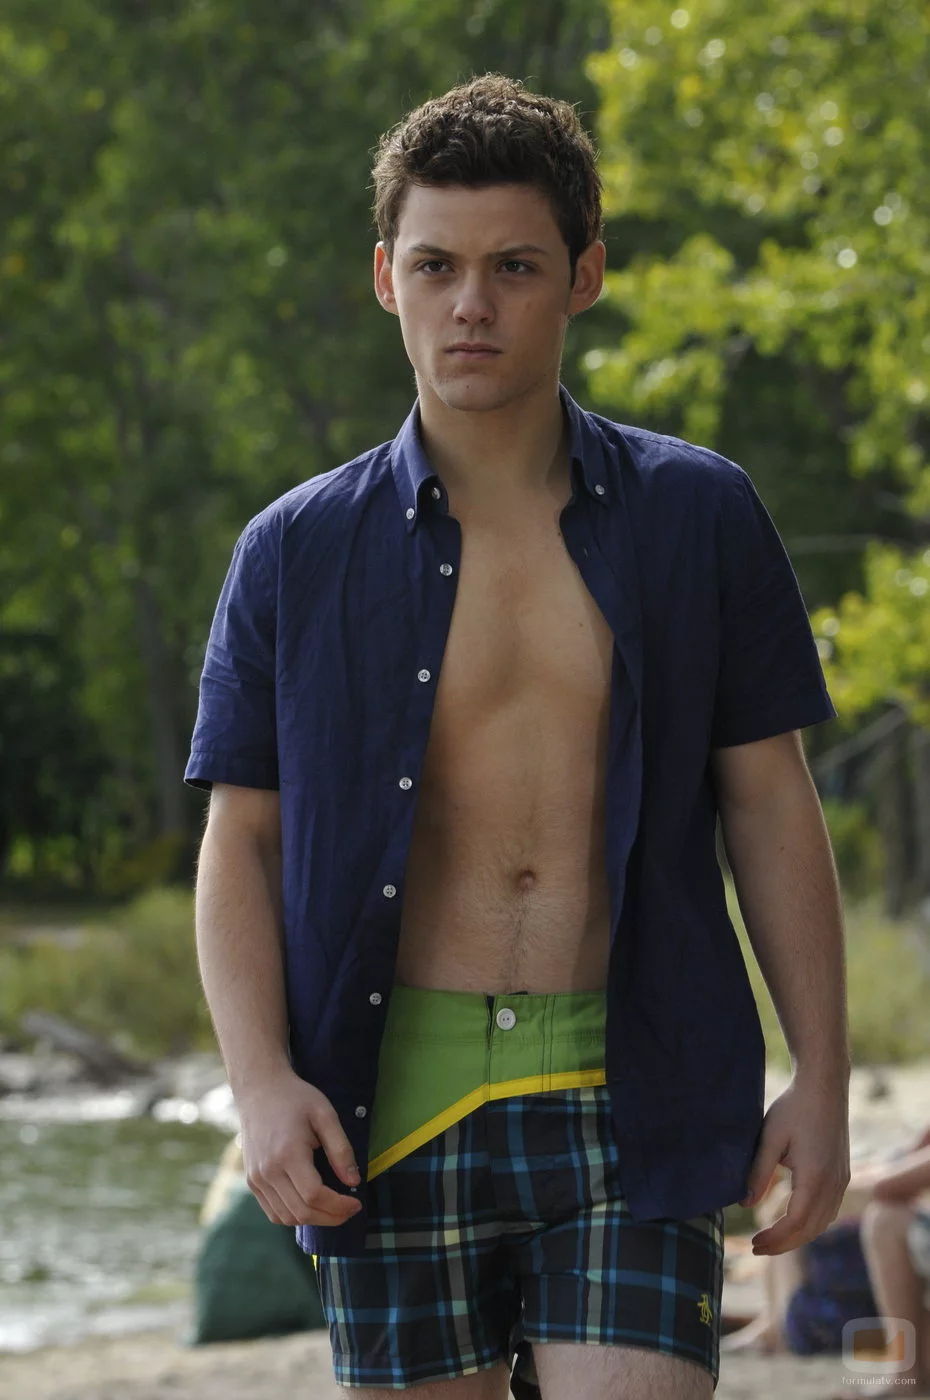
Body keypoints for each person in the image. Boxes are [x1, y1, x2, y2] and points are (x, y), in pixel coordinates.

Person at [184, 74, 851, 1400]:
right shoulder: (294, 552)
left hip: (633, 1092)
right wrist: (258, 1085)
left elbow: (770, 805)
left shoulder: (696, 516)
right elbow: (240, 841)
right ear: (386, 277)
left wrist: (822, 1076)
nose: (470, 305)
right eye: (435, 266)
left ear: (583, 276)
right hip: (384, 1112)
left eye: (514, 267)